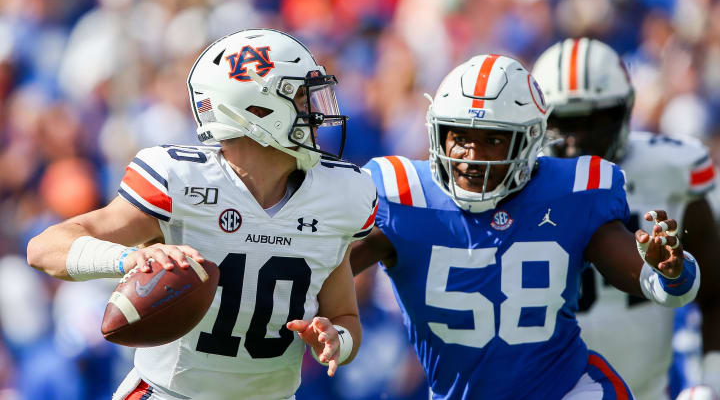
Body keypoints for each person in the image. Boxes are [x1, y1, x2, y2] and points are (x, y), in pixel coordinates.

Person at [26, 29, 378, 400]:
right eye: (303, 97)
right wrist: (131, 257)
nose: (317, 113)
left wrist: (336, 340)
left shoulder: (340, 195)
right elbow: (42, 249)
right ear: (257, 111)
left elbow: (345, 318)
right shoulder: (180, 179)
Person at [349, 54, 700, 399]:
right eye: (460, 136)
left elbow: (655, 281)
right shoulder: (404, 200)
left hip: (568, 389)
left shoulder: (569, 193)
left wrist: (671, 271)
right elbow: (324, 272)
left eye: (493, 140)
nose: (472, 156)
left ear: (529, 140)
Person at [531, 37, 720, 400]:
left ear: (626, 112)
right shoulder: (519, 183)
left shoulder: (670, 170)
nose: (576, 141)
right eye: (563, 122)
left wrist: (710, 377)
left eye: (595, 120)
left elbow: (714, 287)